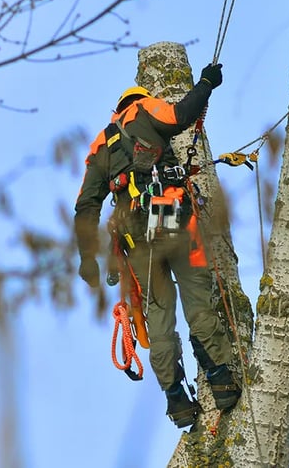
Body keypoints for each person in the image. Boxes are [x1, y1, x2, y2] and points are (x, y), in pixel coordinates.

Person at [73, 62, 239, 428]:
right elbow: (180, 115)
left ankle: (177, 399)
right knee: (197, 297)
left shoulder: (100, 147)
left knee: (159, 320)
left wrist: (87, 259)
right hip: (171, 220)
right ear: (139, 100)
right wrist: (207, 83)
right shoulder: (145, 109)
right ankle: (220, 377)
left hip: (134, 241)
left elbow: (86, 206)